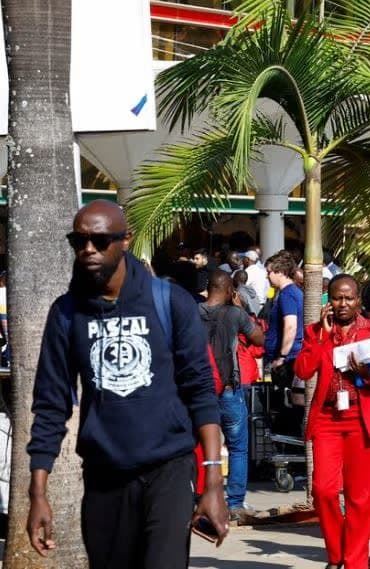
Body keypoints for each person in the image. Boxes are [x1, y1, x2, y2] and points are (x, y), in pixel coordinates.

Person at [26, 200, 229, 568]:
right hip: (104, 477)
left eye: (100, 241)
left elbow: (201, 391)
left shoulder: (170, 302)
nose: (88, 249)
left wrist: (213, 479)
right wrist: (38, 491)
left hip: (168, 469)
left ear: (126, 241)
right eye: (79, 241)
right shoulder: (67, 313)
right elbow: (50, 404)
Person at [294, 275, 370, 569]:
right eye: (337, 298)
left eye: (349, 298)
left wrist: (366, 371)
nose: (343, 304)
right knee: (322, 490)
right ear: (328, 300)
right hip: (327, 418)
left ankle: (355, 561)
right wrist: (321, 337)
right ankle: (337, 553)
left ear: (359, 300)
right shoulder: (316, 332)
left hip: (362, 419)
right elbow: (304, 369)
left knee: (359, 497)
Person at [198, 271, 265, 518]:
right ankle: (235, 503)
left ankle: (201, 498)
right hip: (228, 390)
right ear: (229, 291)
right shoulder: (235, 314)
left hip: (199, 392)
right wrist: (241, 309)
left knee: (200, 445)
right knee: (237, 448)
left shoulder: (193, 312)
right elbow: (259, 338)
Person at [264, 250, 304, 435]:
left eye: (270, 272)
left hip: (289, 361)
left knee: (287, 407)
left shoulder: (288, 295)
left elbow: (290, 326)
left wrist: (281, 356)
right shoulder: (290, 293)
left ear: (280, 272)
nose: (268, 276)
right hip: (290, 357)